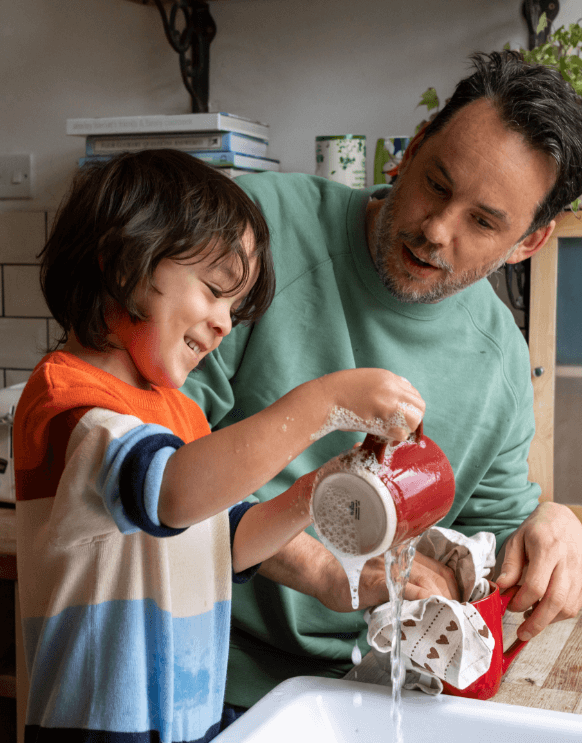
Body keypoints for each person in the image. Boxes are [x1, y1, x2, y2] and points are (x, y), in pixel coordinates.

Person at [182, 50, 582, 710]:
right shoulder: (252, 231)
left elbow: (495, 540)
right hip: (202, 663)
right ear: (408, 153)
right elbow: (147, 461)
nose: (437, 230)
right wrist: (322, 570)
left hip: (372, 688)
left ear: (529, 242)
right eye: (436, 183)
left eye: (484, 221)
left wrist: (554, 524)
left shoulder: (498, 358)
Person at [13, 149, 426, 742]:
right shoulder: (69, 403)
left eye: (235, 306)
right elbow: (174, 494)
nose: (226, 321)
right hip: (96, 729)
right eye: (213, 290)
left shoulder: (177, 413)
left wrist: (320, 488)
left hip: (188, 718)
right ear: (122, 263)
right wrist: (323, 402)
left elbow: (225, 541)